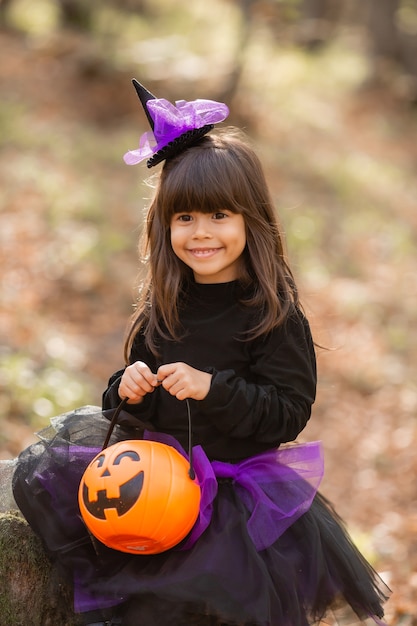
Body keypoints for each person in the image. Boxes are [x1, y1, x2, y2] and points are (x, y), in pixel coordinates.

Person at [13, 80, 390, 626]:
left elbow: (288, 411)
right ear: (164, 225)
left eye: (219, 216)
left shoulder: (273, 312)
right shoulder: (164, 305)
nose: (200, 233)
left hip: (237, 500)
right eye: (184, 218)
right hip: (154, 483)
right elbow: (132, 409)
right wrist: (128, 387)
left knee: (212, 606)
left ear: (250, 220)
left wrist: (213, 387)